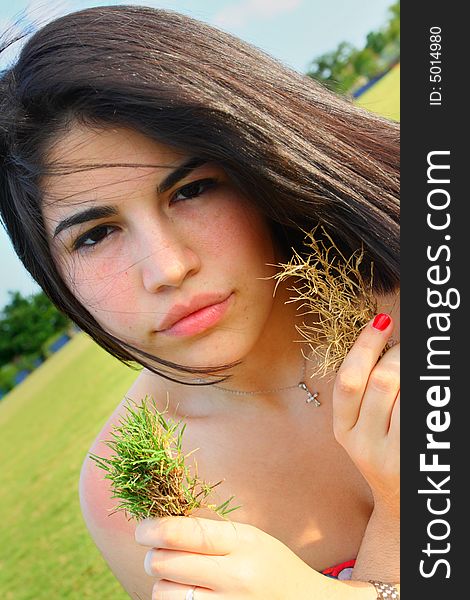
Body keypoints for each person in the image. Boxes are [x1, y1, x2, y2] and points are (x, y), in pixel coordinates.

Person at [0, 5, 400, 600]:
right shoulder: (134, 488)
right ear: (52, 271)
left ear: (257, 165)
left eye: (190, 190)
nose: (167, 267)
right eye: (96, 234)